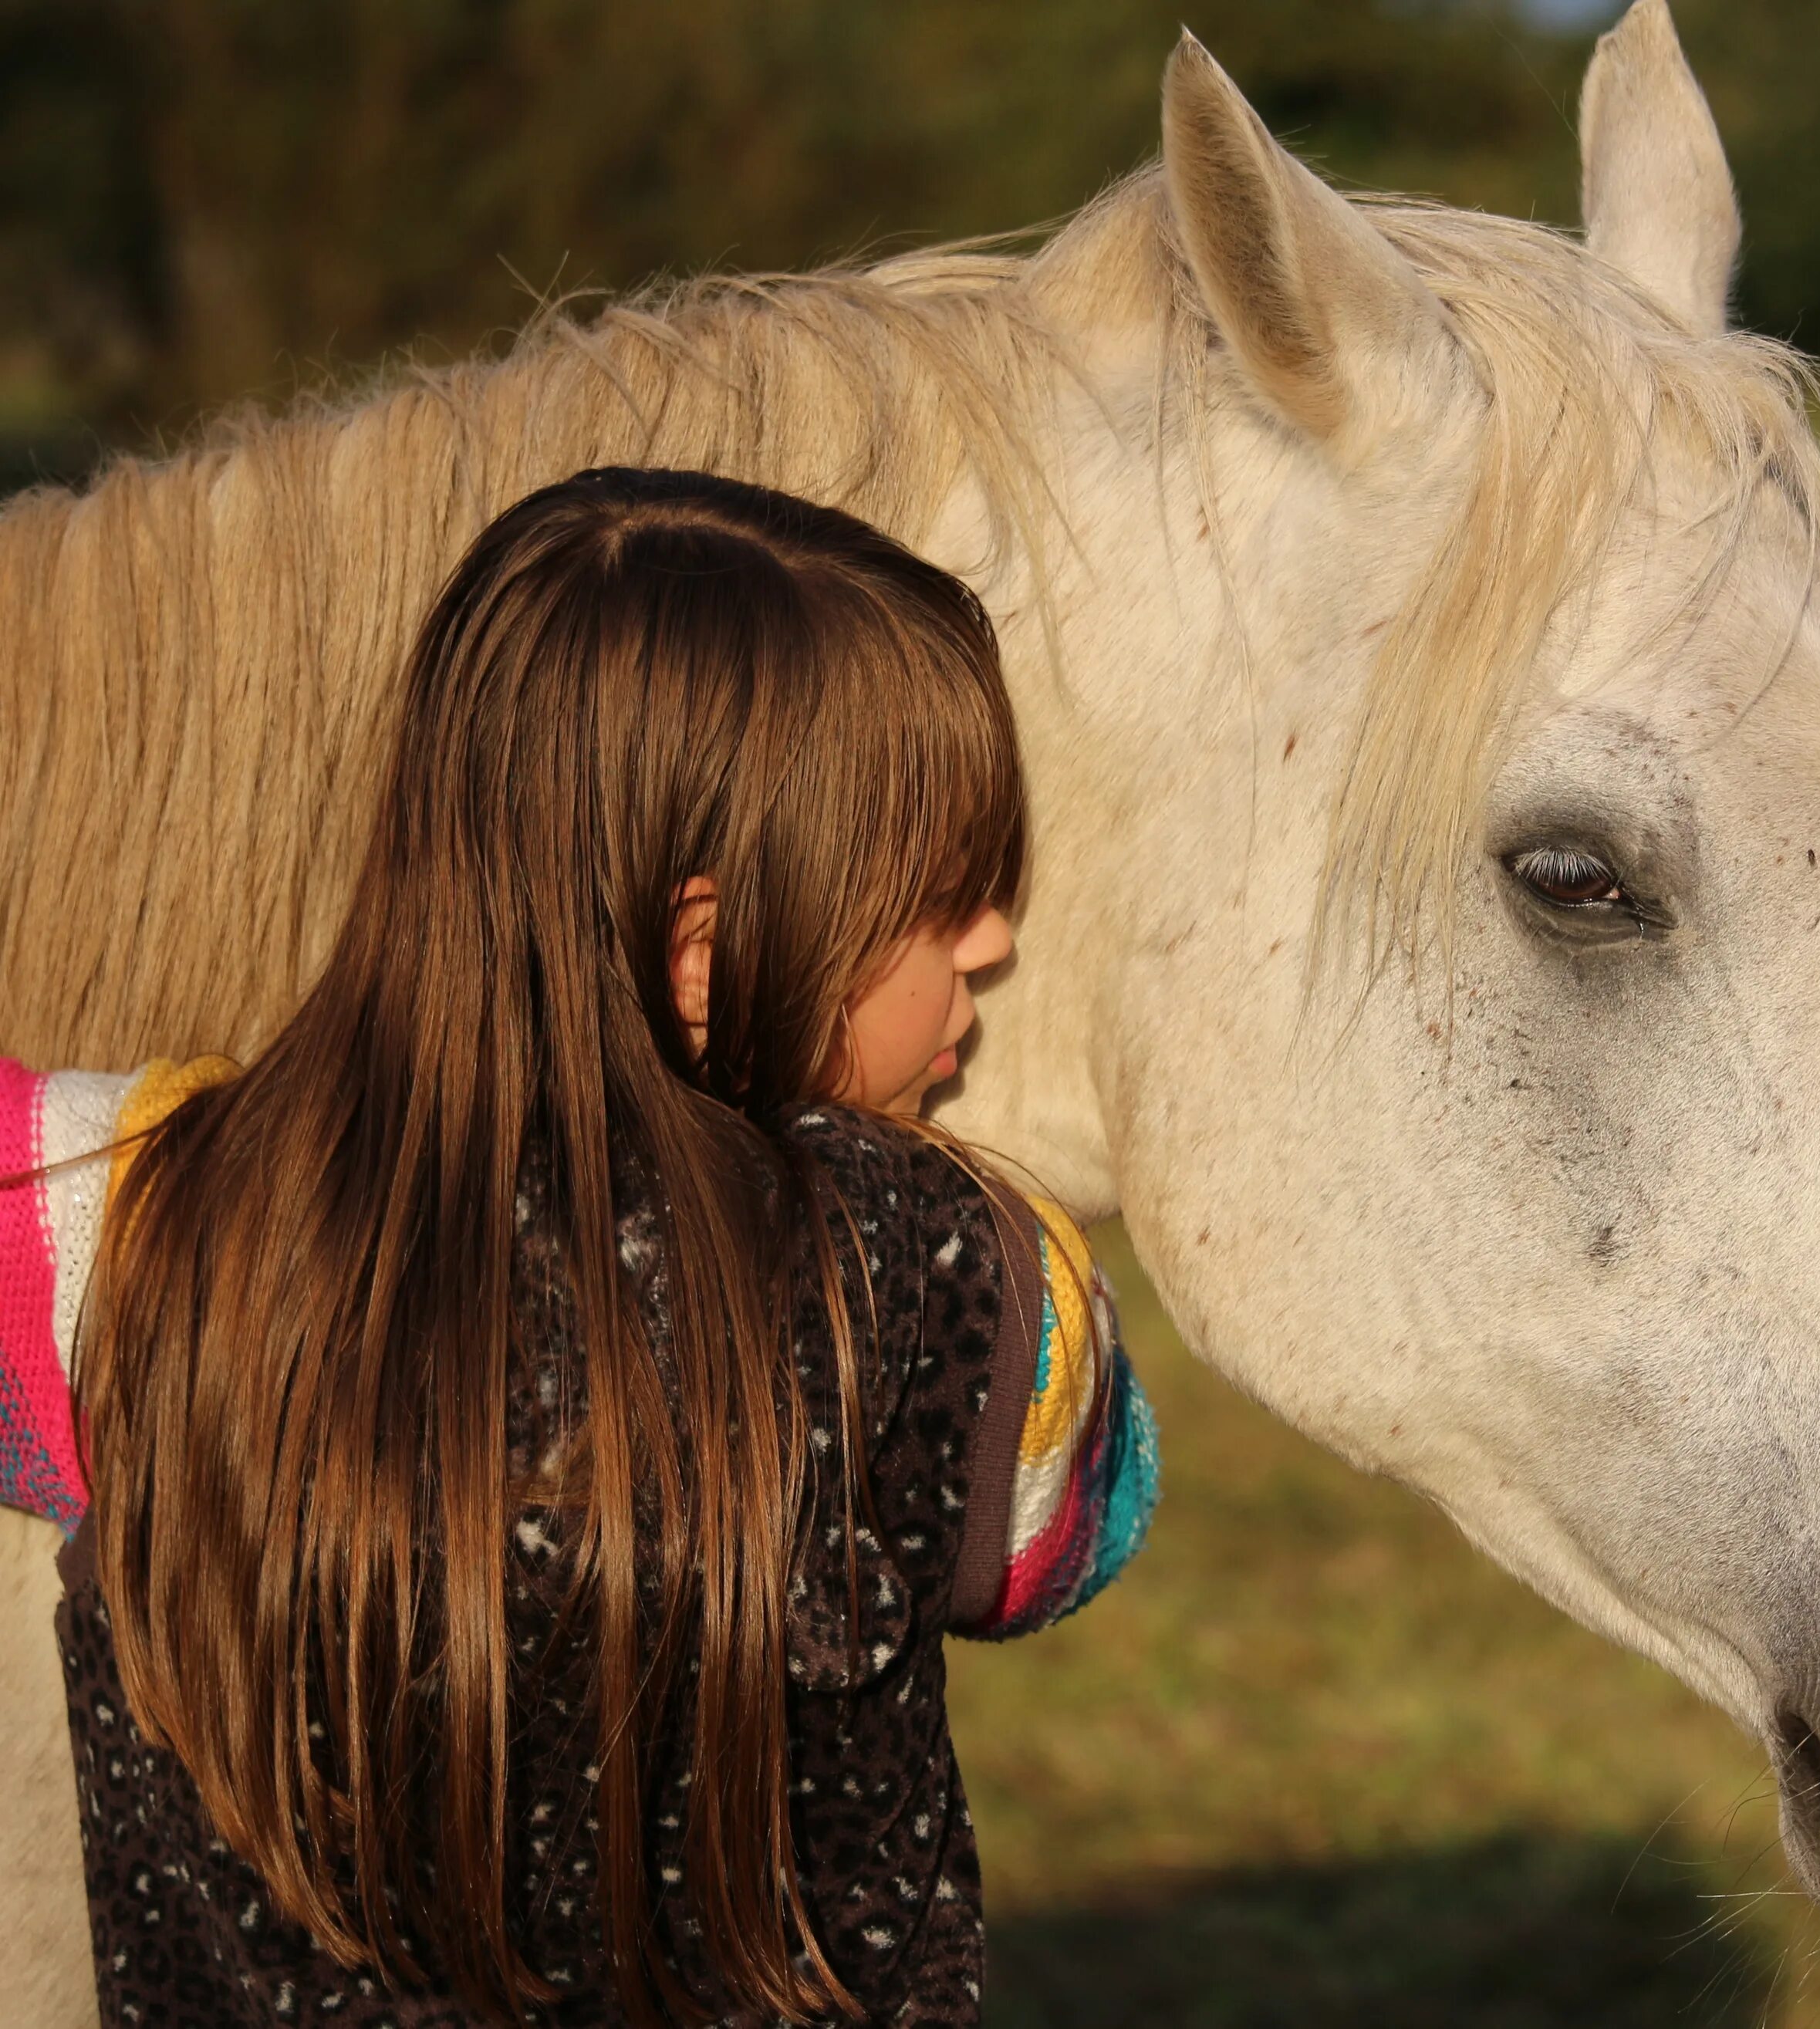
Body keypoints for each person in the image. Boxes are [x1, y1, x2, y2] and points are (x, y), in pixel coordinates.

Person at [0, 468, 1157, 2027]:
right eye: (942, 894)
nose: (995, 938)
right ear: (702, 955)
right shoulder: (944, 1278)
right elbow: (1083, 1525)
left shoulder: (128, 1240)